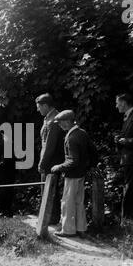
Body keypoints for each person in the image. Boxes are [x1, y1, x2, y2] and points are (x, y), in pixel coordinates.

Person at [51, 110, 97, 237]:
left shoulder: (71, 137)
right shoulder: (82, 133)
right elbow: (93, 151)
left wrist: (58, 167)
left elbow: (73, 161)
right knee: (79, 202)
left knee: (67, 203)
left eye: (60, 123)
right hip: (81, 174)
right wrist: (91, 166)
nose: (59, 125)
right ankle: (81, 229)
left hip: (72, 175)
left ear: (67, 122)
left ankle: (68, 230)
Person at [36, 93, 65, 225]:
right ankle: (49, 218)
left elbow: (49, 146)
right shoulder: (48, 118)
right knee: (46, 190)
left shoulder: (54, 120)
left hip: (51, 161)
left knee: (49, 190)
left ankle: (50, 219)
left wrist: (42, 163)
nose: (38, 110)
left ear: (46, 106)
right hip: (49, 160)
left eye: (39, 107)